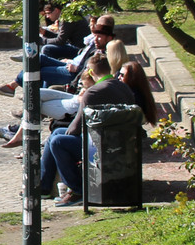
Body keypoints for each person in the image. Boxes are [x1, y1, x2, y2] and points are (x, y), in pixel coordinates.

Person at [40, 52, 137, 206]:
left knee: (57, 141)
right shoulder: (123, 87)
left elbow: (75, 128)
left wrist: (64, 132)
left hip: (100, 147)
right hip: (121, 142)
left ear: (91, 72)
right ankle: (45, 185)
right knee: (57, 135)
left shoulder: (93, 92)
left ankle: (77, 189)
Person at [0, 14, 117, 96]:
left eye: (99, 36)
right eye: (95, 34)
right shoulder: (93, 42)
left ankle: (30, 100)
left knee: (39, 71)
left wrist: (77, 67)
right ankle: (14, 87)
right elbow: (82, 55)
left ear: (109, 36)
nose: (96, 38)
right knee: (40, 58)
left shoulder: (106, 50)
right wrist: (71, 60)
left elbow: (92, 69)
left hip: (74, 73)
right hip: (72, 63)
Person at [104, 40, 161, 125]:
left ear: (131, 78)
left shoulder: (134, 96)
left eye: (122, 75)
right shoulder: (136, 92)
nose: (119, 77)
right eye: (119, 74)